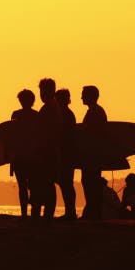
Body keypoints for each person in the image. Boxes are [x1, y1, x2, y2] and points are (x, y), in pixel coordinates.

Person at [29, 78, 61, 220]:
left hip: (46, 153)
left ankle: (44, 215)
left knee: (44, 184)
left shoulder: (49, 108)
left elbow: (46, 132)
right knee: (46, 184)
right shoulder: (53, 107)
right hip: (48, 152)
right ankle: (45, 214)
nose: (41, 94)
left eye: (42, 91)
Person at [10, 89, 39, 217]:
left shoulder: (17, 114)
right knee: (27, 186)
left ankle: (26, 214)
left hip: (26, 156)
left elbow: (9, 136)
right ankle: (28, 213)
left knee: (27, 186)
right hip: (25, 156)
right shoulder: (36, 115)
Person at [80, 85, 107, 220]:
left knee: (90, 182)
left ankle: (93, 212)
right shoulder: (96, 111)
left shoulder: (95, 112)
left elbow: (91, 135)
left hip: (92, 155)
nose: (81, 97)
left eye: (84, 94)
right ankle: (92, 212)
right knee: (90, 182)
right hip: (93, 155)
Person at [54, 88, 77, 220]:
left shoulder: (65, 114)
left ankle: (70, 212)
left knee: (66, 183)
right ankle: (70, 211)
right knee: (65, 183)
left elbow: (64, 135)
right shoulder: (67, 113)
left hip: (65, 154)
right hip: (67, 153)